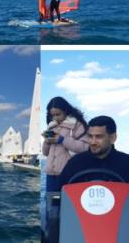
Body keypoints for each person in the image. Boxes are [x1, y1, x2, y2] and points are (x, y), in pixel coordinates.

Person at [42, 97, 89, 227]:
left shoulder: (77, 125)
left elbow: (85, 147)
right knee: (52, 205)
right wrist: (47, 141)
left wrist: (62, 140)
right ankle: (51, 231)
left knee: (69, 205)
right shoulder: (52, 126)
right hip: (51, 175)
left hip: (69, 174)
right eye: (52, 115)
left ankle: (69, 230)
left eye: (58, 114)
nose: (55, 118)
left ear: (66, 111)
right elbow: (45, 153)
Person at [59, 116, 129, 186]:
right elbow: (58, 190)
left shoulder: (126, 163)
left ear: (112, 138)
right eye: (90, 136)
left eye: (99, 137)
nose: (93, 142)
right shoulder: (75, 163)